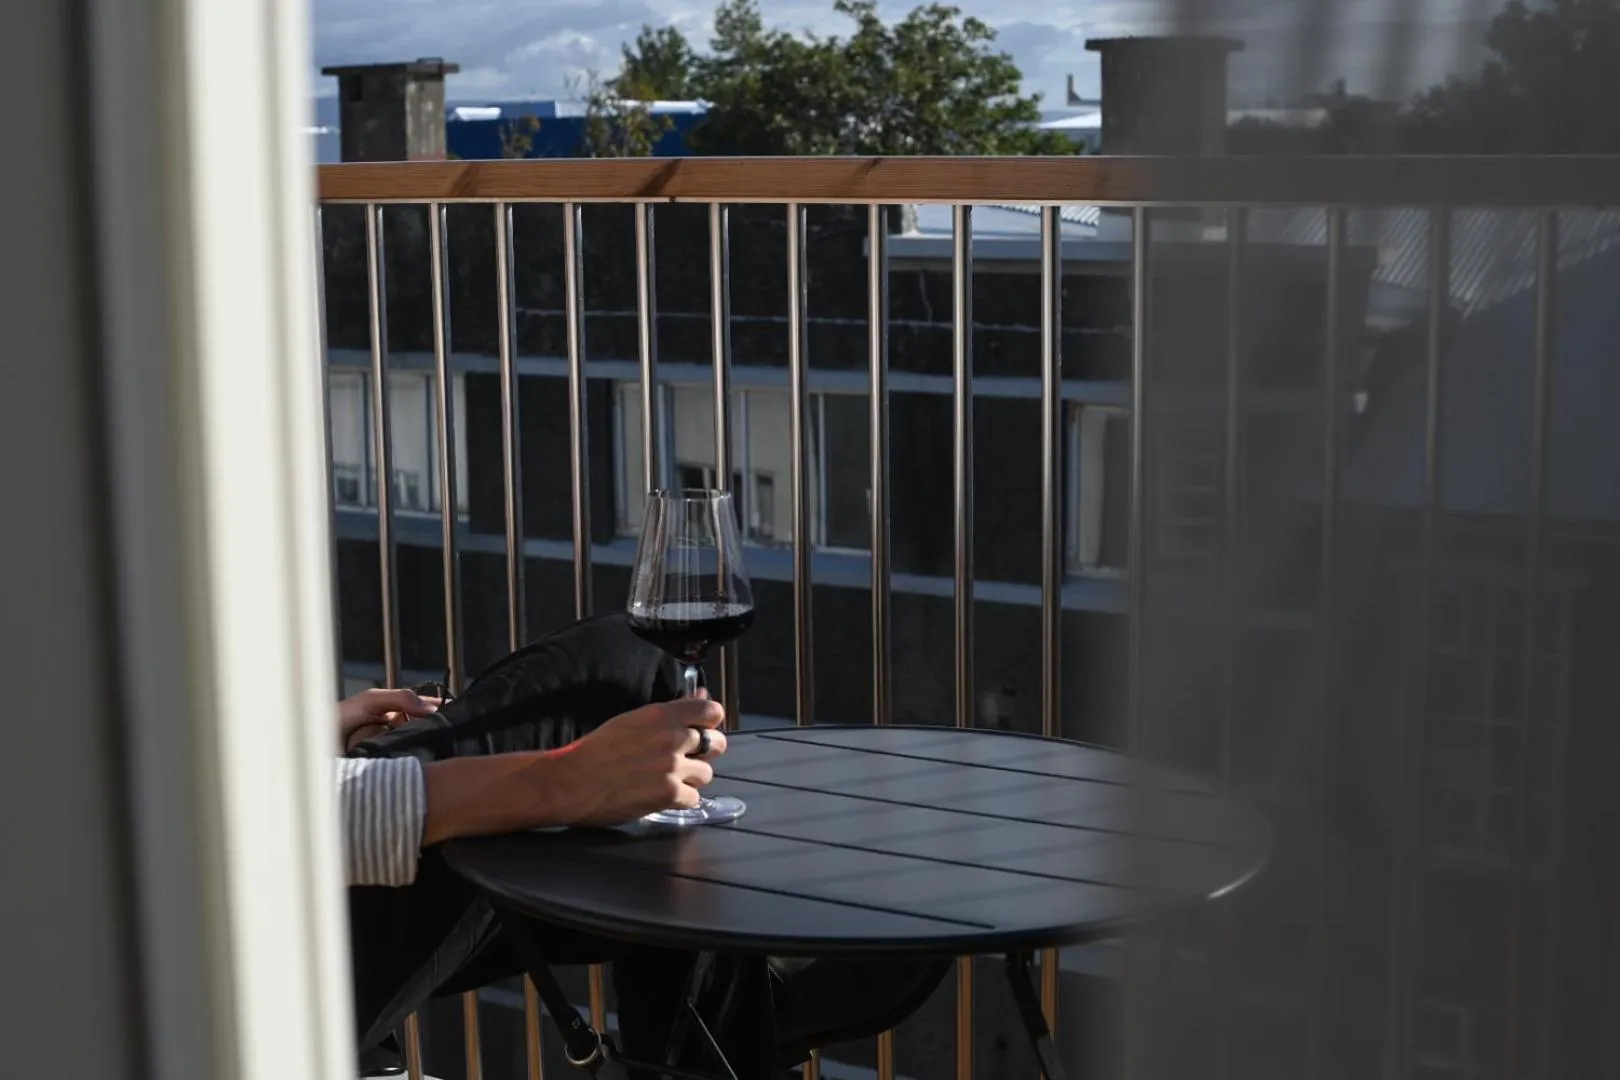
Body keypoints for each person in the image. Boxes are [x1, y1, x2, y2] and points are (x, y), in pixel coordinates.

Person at [336, 612, 948, 1078]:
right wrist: (561, 780)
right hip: (269, 910)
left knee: (616, 697)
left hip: (294, 834)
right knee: (621, 664)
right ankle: (731, 1016)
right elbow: (248, 832)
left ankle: (722, 1017)